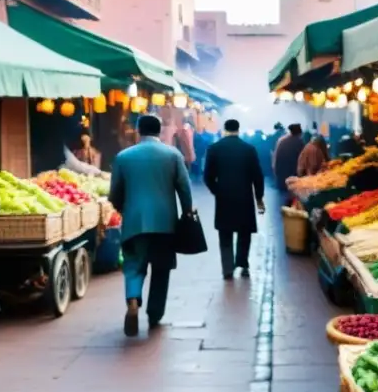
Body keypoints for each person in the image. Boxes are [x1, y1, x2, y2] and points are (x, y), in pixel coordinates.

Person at [109, 114, 192, 337]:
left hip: (134, 222)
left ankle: (133, 300)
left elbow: (115, 192)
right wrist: (187, 211)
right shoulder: (173, 155)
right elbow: (184, 188)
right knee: (161, 268)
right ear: (159, 131)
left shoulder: (123, 157)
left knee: (134, 265)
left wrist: (122, 207)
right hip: (165, 224)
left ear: (139, 130)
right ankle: (155, 314)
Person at [204, 119, 265, 280]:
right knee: (244, 232)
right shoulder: (249, 149)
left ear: (224, 129)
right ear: (238, 129)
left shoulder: (214, 149)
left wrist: (217, 191)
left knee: (225, 233)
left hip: (224, 197)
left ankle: (227, 268)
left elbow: (208, 176)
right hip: (244, 196)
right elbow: (257, 176)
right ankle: (243, 264)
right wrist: (259, 197)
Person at [272, 123, 304, 192]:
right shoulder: (298, 142)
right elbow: (302, 158)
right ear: (299, 132)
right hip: (292, 173)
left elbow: (275, 157)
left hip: (280, 172)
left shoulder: (281, 140)